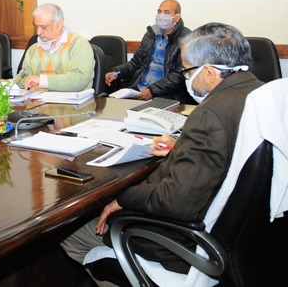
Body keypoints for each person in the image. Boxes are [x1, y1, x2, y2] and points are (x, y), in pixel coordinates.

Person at [60, 23, 261, 285]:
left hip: (181, 243)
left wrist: (121, 198)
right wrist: (182, 147)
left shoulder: (211, 114)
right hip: (246, 239)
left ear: (210, 72)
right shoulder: (258, 93)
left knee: (67, 234)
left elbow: (176, 201)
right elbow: (231, 150)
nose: (185, 78)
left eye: (187, 70)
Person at [106, 0, 192, 103]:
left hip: (166, 95)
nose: (161, 16)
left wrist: (152, 90)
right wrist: (117, 72)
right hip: (139, 90)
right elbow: (136, 62)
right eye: (159, 12)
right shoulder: (151, 34)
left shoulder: (187, 38)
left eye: (167, 12)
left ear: (177, 17)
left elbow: (180, 73)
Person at [20, 4, 94, 92]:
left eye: (43, 27)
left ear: (59, 24)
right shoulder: (33, 49)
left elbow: (79, 79)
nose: (38, 32)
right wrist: (7, 83)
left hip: (69, 100)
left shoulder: (79, 45)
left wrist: (42, 80)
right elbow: (24, 78)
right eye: (37, 27)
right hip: (36, 99)